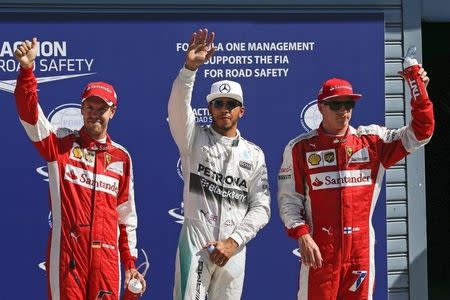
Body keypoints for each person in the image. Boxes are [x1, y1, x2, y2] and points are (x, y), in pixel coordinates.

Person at [278, 69, 434, 299]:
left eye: (349, 104)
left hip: (360, 250)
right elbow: (289, 201)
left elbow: (421, 132)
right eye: (336, 105)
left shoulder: (372, 141)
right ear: (320, 107)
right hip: (321, 251)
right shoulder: (300, 148)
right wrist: (303, 235)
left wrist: (419, 92)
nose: (343, 111)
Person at [14, 38, 146, 300]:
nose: (95, 114)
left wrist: (130, 263)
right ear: (82, 108)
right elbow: (31, 118)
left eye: (102, 109)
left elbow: (126, 218)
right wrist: (27, 71)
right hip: (68, 252)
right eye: (89, 107)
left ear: (113, 112)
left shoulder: (121, 157)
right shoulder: (60, 145)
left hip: (107, 256)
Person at [168, 28, 271, 300]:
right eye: (218, 103)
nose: (224, 108)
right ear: (210, 109)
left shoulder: (254, 154)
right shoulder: (193, 138)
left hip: (233, 249)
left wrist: (233, 242)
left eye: (231, 103)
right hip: (197, 242)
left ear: (242, 110)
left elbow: (261, 207)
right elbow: (178, 110)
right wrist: (190, 69)